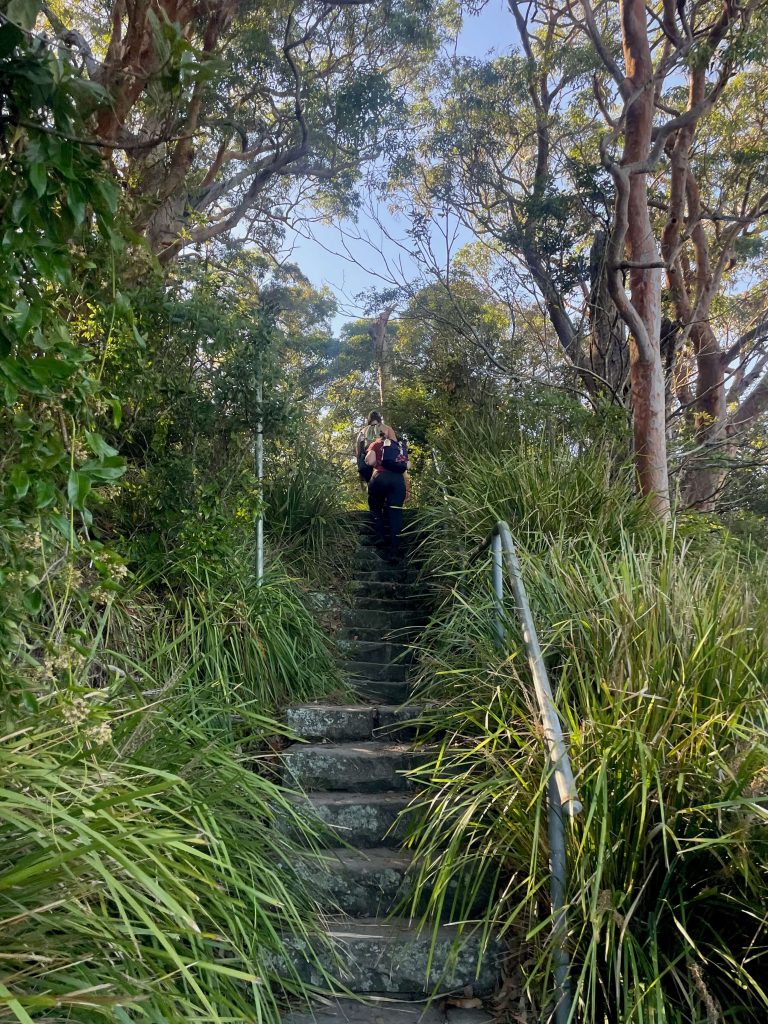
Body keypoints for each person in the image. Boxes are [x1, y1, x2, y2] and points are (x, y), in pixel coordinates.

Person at [365, 424, 410, 562]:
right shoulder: (399, 446)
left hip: (380, 476)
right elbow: (407, 466)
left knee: (376, 506)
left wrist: (369, 459)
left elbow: (370, 461)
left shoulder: (376, 444)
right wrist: (407, 488)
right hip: (397, 480)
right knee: (395, 513)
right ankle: (395, 550)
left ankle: (380, 536)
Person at [356, 410, 382, 487]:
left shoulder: (362, 432)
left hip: (367, 464)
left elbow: (358, 453)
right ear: (379, 419)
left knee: (372, 490)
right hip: (382, 464)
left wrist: (360, 470)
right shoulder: (384, 429)